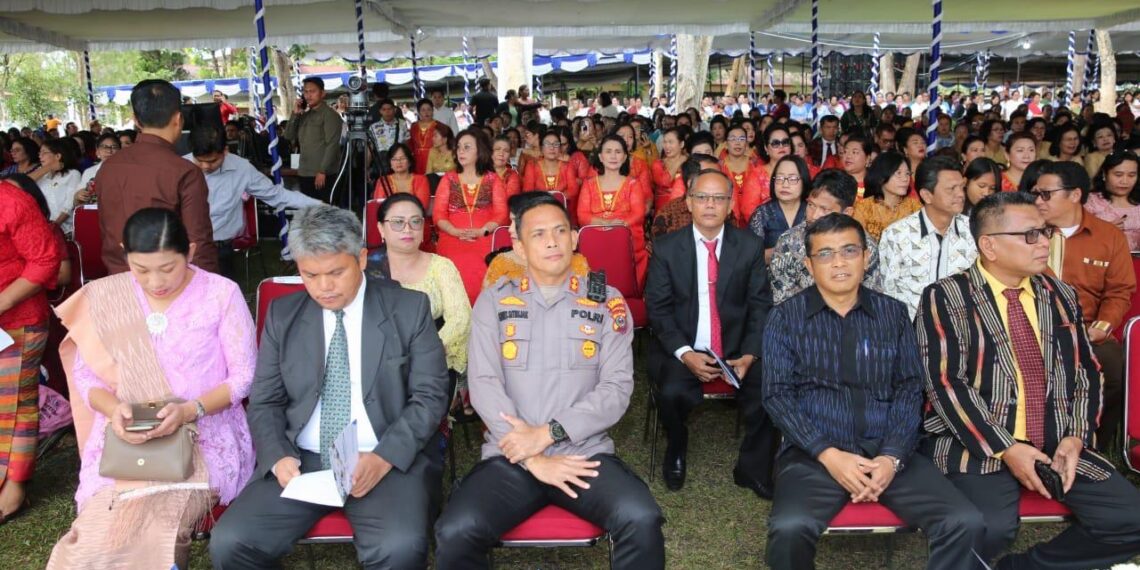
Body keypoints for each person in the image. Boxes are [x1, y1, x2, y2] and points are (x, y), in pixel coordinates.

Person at [209, 205, 450, 569]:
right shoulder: (284, 316)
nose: (324, 287)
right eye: (310, 274)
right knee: (231, 542)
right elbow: (265, 400)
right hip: (304, 460)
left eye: (336, 272)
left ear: (362, 259)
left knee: (399, 547)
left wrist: (384, 457)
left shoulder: (409, 309)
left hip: (383, 454)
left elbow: (430, 397)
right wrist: (277, 456)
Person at [434, 193, 666, 569]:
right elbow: (484, 383)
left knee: (641, 518)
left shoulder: (606, 302)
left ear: (575, 239)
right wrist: (533, 457)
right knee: (456, 530)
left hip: (583, 454)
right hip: (509, 459)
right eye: (539, 234)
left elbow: (617, 390)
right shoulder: (493, 303)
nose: (552, 241)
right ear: (520, 247)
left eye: (560, 231)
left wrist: (548, 434)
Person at [917, 191, 1140, 569]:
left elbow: (1086, 371)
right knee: (988, 528)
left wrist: (1076, 437)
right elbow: (946, 384)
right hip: (977, 443)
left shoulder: (1060, 294)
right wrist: (1008, 449)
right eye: (1030, 235)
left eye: (1045, 232)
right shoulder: (947, 297)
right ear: (989, 245)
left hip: (1056, 441)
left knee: (1131, 520)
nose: (1044, 243)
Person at [764, 213, 984, 570]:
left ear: (866, 258)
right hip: (814, 453)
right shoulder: (785, 317)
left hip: (889, 451)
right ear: (809, 264)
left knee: (963, 522)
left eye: (849, 250)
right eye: (825, 254)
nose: (838, 262)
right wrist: (828, 455)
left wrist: (892, 457)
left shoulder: (893, 314)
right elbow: (777, 395)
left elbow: (910, 388)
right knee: (790, 528)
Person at [47, 208, 253, 568]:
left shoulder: (221, 294)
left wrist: (190, 410)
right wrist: (115, 411)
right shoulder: (109, 297)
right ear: (125, 253)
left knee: (155, 530)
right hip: (125, 439)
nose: (156, 280)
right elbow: (87, 377)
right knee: (94, 539)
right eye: (141, 270)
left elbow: (244, 375)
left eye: (168, 268)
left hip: (202, 437)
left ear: (189, 251)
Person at [645, 168, 775, 494]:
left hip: (736, 349)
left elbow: (760, 305)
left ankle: (753, 466)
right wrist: (685, 354)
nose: (710, 205)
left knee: (772, 386)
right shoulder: (667, 248)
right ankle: (676, 443)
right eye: (702, 197)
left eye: (718, 198)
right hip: (686, 346)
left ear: (730, 205)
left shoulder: (749, 246)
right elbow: (658, 309)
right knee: (670, 392)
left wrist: (748, 355)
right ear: (688, 202)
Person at [1030, 161, 1135, 447]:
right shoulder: (1027, 232)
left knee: (1116, 372)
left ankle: (1094, 444)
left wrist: (1099, 329)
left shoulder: (1108, 236)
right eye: (1036, 194)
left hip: (1088, 330)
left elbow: (1119, 290)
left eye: (1046, 194)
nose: (1038, 201)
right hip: (1031, 327)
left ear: (1075, 195)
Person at [96, 79, 218, 274]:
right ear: (178, 119)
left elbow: (105, 229)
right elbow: (198, 244)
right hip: (166, 284)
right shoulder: (185, 171)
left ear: (136, 120)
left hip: (118, 280)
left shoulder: (107, 167)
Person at [370, 194, 471, 407]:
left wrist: (425, 355)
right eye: (398, 222)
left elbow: (460, 319)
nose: (408, 229)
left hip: (432, 362)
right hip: (376, 363)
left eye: (415, 221)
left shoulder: (442, 266)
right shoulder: (367, 269)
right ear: (381, 228)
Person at [184, 126, 320, 278]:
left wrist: (319, 205)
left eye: (213, 161)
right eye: (199, 161)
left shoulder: (242, 168)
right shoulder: (180, 167)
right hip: (187, 246)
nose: (205, 167)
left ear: (225, 151)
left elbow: (276, 195)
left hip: (222, 246)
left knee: (222, 296)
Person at [0, 180, 60, 525]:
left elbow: (46, 259)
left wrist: (4, 302)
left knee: (17, 404)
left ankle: (15, 487)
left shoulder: (11, 201)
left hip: (18, 320)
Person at [878, 155, 977, 319]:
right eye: (951, 189)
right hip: (912, 332)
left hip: (964, 331)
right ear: (926, 195)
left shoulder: (974, 231)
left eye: (961, 187)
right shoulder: (896, 235)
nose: (960, 194)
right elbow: (889, 293)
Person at [770, 170, 885, 304]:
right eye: (811, 205)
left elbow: (872, 299)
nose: (814, 216)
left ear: (847, 213)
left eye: (825, 210)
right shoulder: (788, 243)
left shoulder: (864, 246)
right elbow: (783, 301)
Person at [433, 129, 509, 304]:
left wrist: (482, 231)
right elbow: (438, 215)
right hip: (452, 237)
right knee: (455, 266)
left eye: (467, 147)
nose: (461, 151)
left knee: (485, 263)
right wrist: (455, 231)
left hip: (485, 236)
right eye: (458, 147)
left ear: (479, 150)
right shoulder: (448, 178)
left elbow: (501, 214)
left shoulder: (492, 179)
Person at [577, 135, 648, 287]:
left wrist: (619, 226)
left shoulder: (633, 184)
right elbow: (582, 215)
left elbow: (638, 214)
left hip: (625, 236)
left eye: (618, 152)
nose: (613, 156)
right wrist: (606, 223)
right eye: (608, 151)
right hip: (596, 236)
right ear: (601, 157)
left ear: (624, 157)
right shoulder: (589, 184)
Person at [284, 77, 344, 201]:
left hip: (322, 173)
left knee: (324, 212)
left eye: (312, 91)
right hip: (304, 171)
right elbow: (288, 136)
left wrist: (322, 171)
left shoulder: (330, 115)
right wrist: (294, 114)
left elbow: (332, 144)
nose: (308, 95)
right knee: (309, 212)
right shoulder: (304, 115)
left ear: (322, 93)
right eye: (305, 92)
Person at [748, 156, 809, 262]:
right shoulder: (762, 214)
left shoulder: (812, 211)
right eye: (780, 178)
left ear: (804, 181)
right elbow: (750, 257)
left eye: (792, 179)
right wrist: (781, 251)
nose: (785, 184)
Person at [853, 152, 922, 241]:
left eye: (907, 173)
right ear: (881, 176)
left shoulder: (915, 207)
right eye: (898, 173)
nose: (905, 179)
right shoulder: (862, 208)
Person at [1086, 151, 1140, 250]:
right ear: (1104, 174)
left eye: (1131, 175)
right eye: (1118, 175)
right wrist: (1102, 231)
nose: (1125, 181)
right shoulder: (1091, 201)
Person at [522, 130, 579, 218]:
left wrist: (556, 199)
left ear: (560, 148)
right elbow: (528, 191)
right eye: (547, 144)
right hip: (538, 211)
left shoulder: (567, 166)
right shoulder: (532, 166)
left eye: (556, 144)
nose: (552, 148)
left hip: (562, 211)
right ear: (541, 148)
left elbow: (573, 189)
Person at [721, 124, 770, 223]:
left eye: (741, 138)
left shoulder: (757, 164)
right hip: (727, 221)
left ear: (746, 143)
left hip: (756, 221)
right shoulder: (719, 167)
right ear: (726, 143)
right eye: (733, 139)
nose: (737, 143)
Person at [33, 139, 82, 235]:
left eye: (44, 152)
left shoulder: (72, 174)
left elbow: (69, 204)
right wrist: (48, 168)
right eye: (39, 152)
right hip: (44, 227)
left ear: (58, 156)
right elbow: (23, 182)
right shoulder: (41, 174)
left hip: (66, 229)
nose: (40, 156)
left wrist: (55, 225)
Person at [373, 143, 431, 207]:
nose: (398, 162)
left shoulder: (421, 180)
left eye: (402, 158)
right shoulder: (383, 181)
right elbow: (379, 206)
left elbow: (422, 206)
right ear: (390, 163)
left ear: (409, 161)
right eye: (394, 159)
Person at [75, 132, 121, 206]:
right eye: (104, 147)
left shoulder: (125, 172)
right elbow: (77, 201)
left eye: (114, 147)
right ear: (97, 152)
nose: (109, 151)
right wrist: (78, 195)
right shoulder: (89, 172)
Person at [651, 127, 688, 213]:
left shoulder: (689, 163)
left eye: (671, 142)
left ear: (681, 144)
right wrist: (680, 161)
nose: (667, 146)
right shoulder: (658, 164)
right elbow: (665, 182)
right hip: (662, 209)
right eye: (665, 142)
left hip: (684, 208)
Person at [491, 135, 523, 199]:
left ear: (509, 154)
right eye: (497, 149)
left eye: (506, 151)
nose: (501, 154)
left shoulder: (512, 175)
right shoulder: (481, 172)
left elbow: (509, 199)